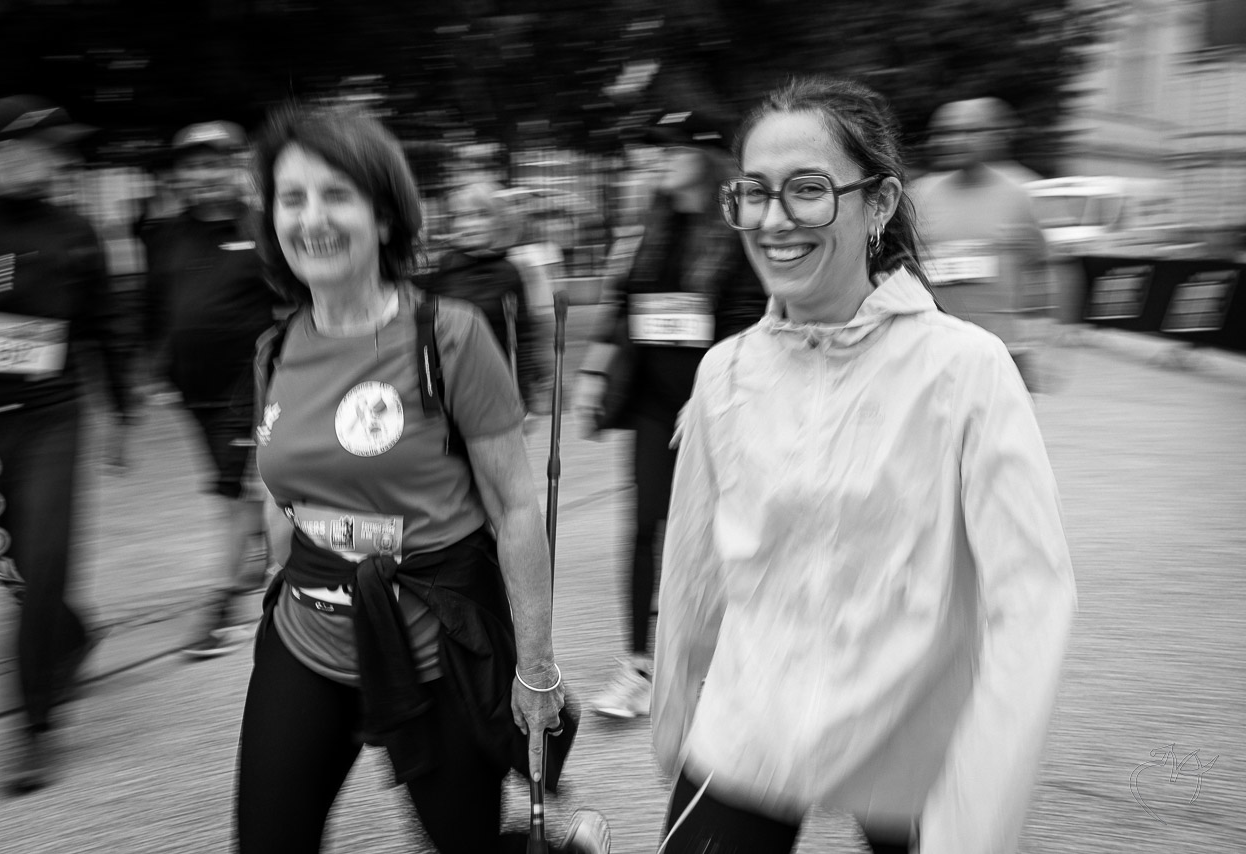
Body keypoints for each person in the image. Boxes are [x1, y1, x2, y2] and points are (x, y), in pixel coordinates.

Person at [651, 77, 1077, 854]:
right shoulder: (725, 374)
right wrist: (677, 715)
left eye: (808, 190)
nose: (773, 220)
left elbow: (1031, 601)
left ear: (878, 204)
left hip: (911, 732)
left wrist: (975, 815)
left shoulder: (967, 370)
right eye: (754, 192)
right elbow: (693, 567)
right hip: (750, 728)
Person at [238, 103, 609, 854]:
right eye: (292, 198)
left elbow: (515, 509)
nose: (313, 218)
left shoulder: (448, 335)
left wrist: (536, 670)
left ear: (383, 215)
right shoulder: (274, 349)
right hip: (306, 639)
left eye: (337, 194)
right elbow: (280, 497)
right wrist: (285, 577)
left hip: (437, 649)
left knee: (464, 845)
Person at [0, 95, 135, 793]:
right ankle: (70, 635)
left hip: (52, 419)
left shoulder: (76, 231)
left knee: (45, 560)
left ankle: (34, 728)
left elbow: (105, 327)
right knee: (10, 567)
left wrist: (119, 412)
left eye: (58, 149)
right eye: (40, 147)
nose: (55, 160)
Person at [573, 110, 766, 720]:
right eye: (657, 149)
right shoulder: (648, 227)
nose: (661, 159)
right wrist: (594, 372)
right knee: (643, 527)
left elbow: (749, 325)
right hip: (655, 406)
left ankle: (721, 661)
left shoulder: (736, 231)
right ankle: (637, 665)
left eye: (675, 149)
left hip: (716, 406)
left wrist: (708, 396)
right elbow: (623, 306)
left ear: (705, 159)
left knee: (716, 532)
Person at [138, 121, 279, 658]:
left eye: (216, 163)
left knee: (233, 490)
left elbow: (293, 302)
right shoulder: (164, 235)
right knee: (232, 484)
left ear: (237, 167)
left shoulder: (263, 229)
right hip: (192, 389)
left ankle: (220, 608)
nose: (204, 175)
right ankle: (259, 551)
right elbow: (156, 306)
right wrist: (150, 374)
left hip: (250, 385)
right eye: (194, 166)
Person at [912, 97, 1053, 389]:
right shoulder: (918, 194)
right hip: (934, 350)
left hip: (1002, 352)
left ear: (996, 135)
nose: (956, 140)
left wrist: (1050, 345)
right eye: (946, 132)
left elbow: (1050, 269)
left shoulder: (1023, 193)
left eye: (970, 131)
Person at [420, 182, 541, 411]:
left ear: (498, 221)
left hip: (494, 390)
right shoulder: (441, 269)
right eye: (461, 216)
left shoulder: (509, 273)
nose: (470, 224)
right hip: (449, 390)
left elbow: (522, 339)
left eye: (481, 215)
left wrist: (524, 398)